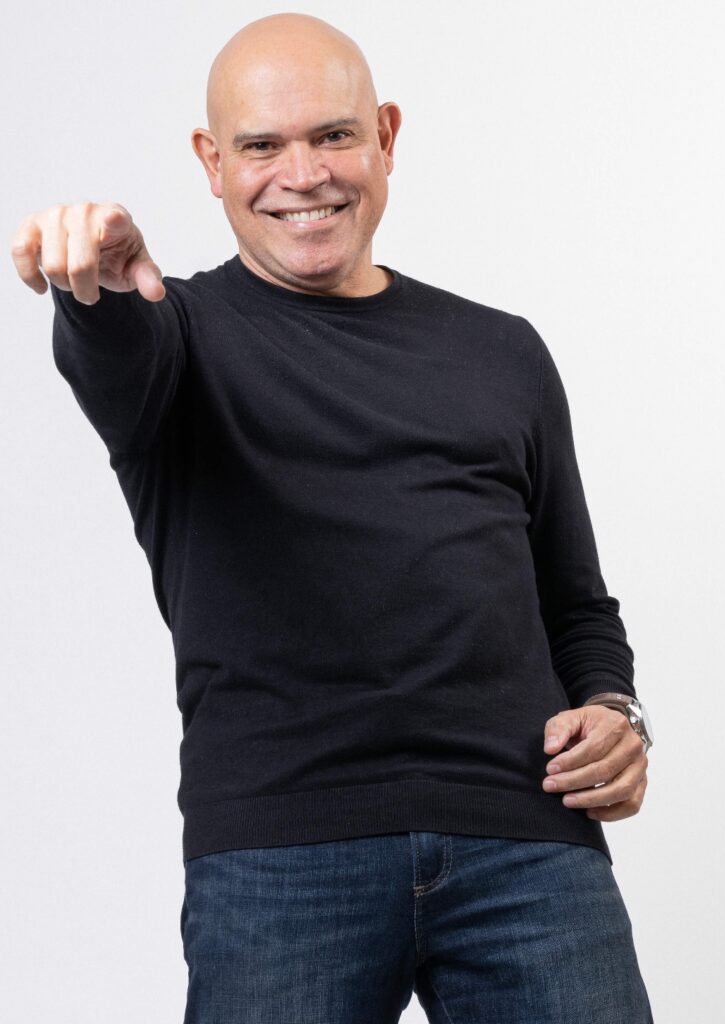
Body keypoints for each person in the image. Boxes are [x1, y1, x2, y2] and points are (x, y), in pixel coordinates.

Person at [10, 11, 655, 1023]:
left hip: (528, 841)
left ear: (385, 136)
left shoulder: (504, 352)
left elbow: (575, 605)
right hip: (282, 856)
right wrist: (93, 289)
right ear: (212, 163)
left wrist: (616, 712)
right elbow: (113, 351)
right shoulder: (176, 341)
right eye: (262, 146)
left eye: (334, 135)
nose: (302, 175)